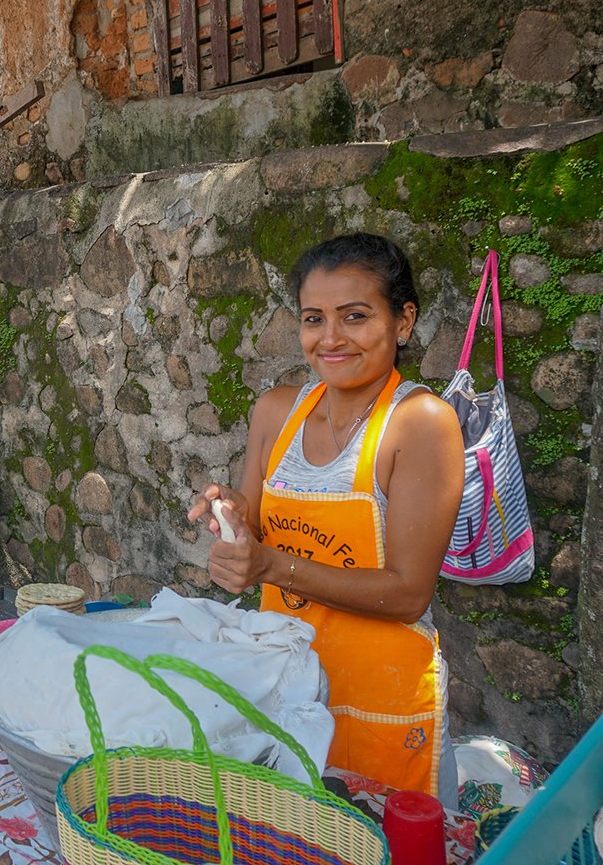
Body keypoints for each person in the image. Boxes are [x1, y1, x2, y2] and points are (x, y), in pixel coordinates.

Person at [187, 232, 465, 805]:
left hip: (378, 698)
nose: (331, 338)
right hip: (282, 688)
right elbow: (260, 539)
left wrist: (269, 565)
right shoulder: (275, 413)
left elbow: (409, 594)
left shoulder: (419, 423)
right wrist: (235, 520)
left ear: (404, 320)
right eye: (314, 319)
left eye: (355, 316)